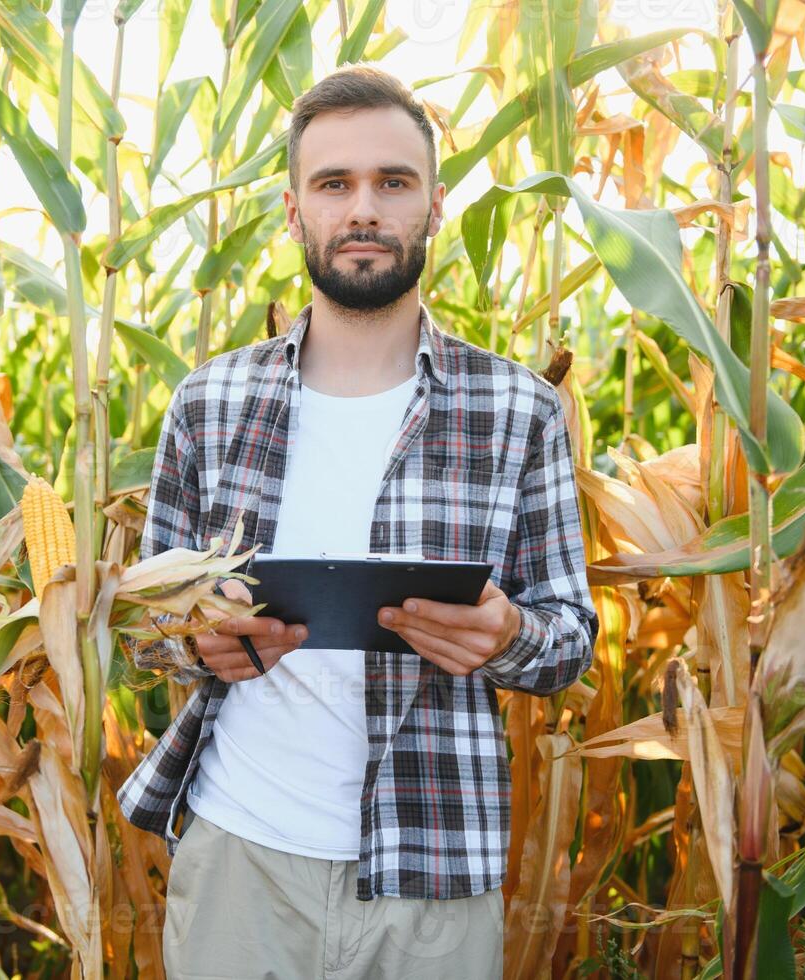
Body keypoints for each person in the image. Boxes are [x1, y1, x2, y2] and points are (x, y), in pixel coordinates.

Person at [116, 62, 598, 979]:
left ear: (435, 205)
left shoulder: (518, 411)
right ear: (295, 211)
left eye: (393, 182)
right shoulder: (208, 402)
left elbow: (569, 640)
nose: (363, 209)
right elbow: (151, 625)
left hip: (433, 874)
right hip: (240, 862)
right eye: (333, 184)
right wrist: (196, 642)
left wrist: (504, 637)